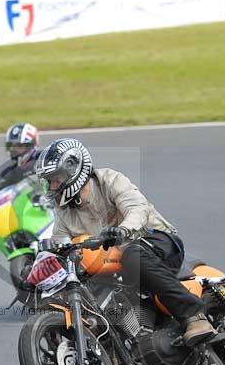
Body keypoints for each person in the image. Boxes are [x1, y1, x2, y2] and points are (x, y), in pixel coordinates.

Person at [33, 138, 215, 346]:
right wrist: (37, 269)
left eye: (56, 179)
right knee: (85, 291)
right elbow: (59, 244)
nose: (52, 186)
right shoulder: (63, 211)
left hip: (155, 241)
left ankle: (194, 316)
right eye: (49, 181)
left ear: (74, 171)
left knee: (133, 255)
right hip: (115, 265)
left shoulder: (109, 180)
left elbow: (138, 208)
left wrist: (123, 230)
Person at [0, 122, 40, 191]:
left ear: (30, 146)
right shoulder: (7, 174)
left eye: (19, 146)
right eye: (12, 146)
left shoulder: (43, 162)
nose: (14, 150)